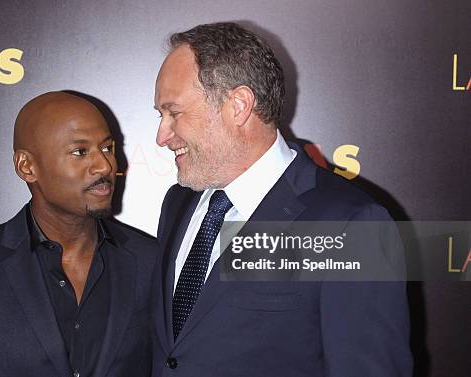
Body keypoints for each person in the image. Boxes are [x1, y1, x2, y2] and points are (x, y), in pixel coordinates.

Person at [151, 22, 412, 376]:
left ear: (238, 105)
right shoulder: (177, 204)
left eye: (174, 113)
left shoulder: (351, 225)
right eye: (161, 116)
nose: (162, 136)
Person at [0, 91, 156, 377]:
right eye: (80, 152)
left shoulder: (150, 260)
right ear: (27, 167)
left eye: (107, 148)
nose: (105, 166)